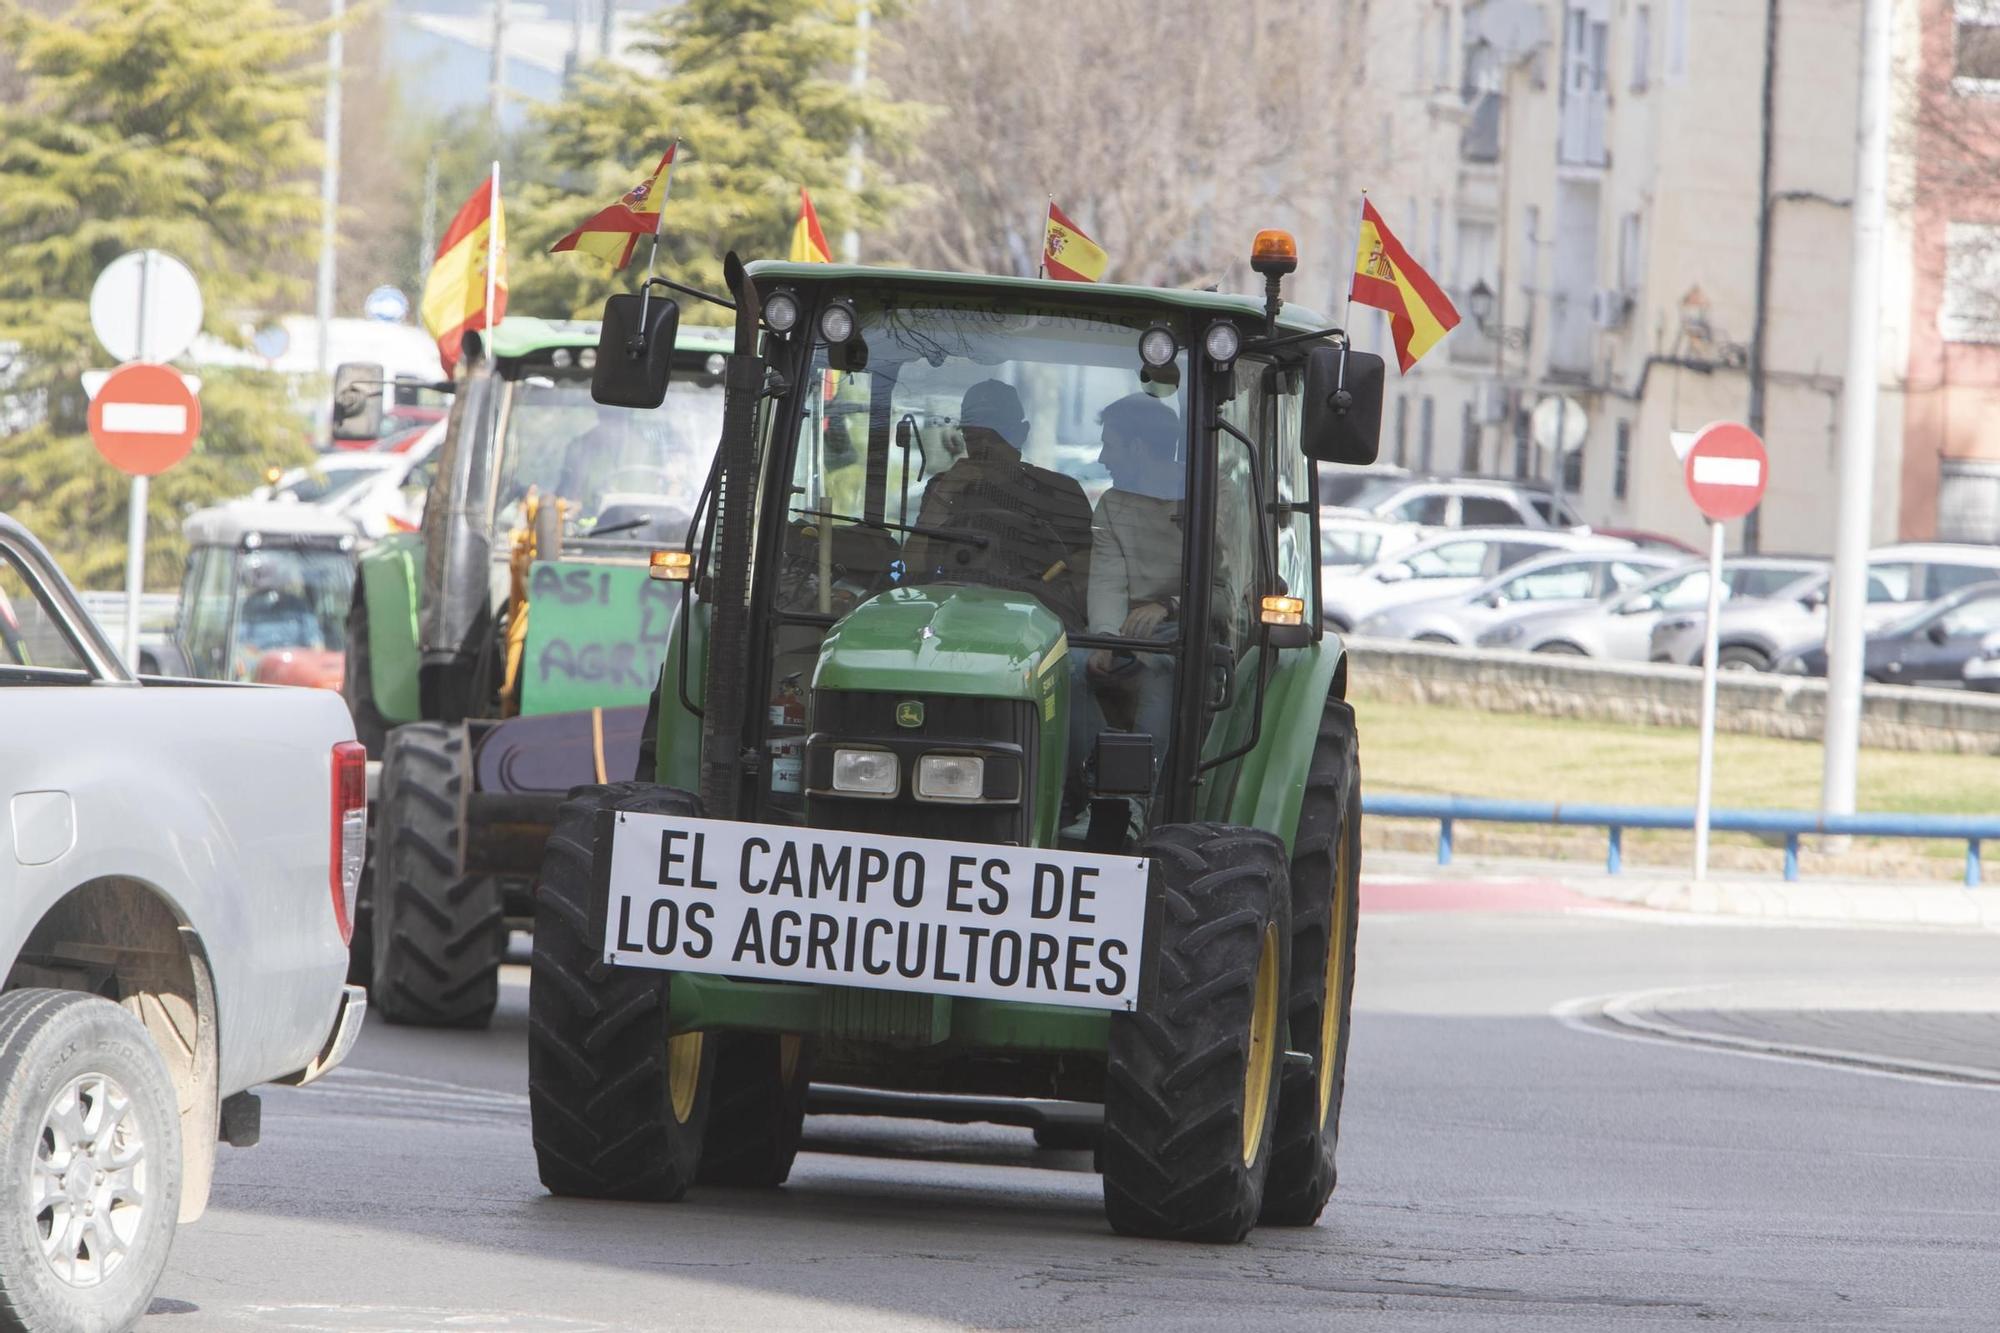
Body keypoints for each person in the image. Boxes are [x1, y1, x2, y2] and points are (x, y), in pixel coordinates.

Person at [905, 380, 1093, 628]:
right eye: (973, 438)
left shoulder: (1059, 492)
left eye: (995, 438)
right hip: (945, 614)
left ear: (1021, 434)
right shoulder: (943, 489)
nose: (984, 449)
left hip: (1036, 620)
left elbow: (1089, 570)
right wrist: (945, 494)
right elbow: (909, 568)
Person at [1084, 393, 1185, 753]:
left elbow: (1227, 590)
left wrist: (1168, 606)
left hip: (1193, 629)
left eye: (1110, 446)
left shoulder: (1213, 497)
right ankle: (1090, 776)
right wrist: (1105, 639)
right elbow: (1108, 579)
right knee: (1067, 668)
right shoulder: (1113, 504)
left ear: (1138, 449)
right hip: (1130, 632)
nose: (1102, 458)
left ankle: (1140, 792)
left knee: (1162, 665)